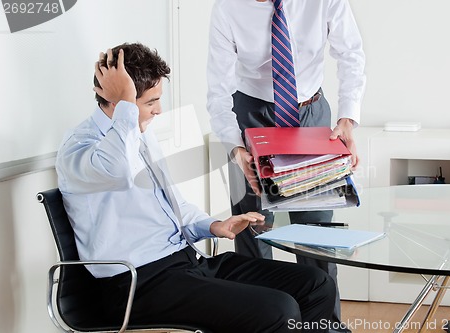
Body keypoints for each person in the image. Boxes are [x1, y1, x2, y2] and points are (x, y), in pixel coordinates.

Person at [55, 42, 338, 333]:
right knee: (278, 309)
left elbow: (174, 208)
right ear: (118, 100)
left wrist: (215, 225)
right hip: (137, 284)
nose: (158, 110)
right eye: (150, 102)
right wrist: (126, 103)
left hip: (186, 263)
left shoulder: (140, 135)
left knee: (315, 285)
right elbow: (117, 171)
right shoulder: (79, 147)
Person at [206, 1, 366, 331]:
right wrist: (236, 148)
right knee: (253, 231)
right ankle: (265, 324)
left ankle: (324, 326)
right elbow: (218, 91)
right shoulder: (228, 8)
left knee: (316, 235)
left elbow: (351, 54)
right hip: (250, 116)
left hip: (309, 115)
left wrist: (347, 118)